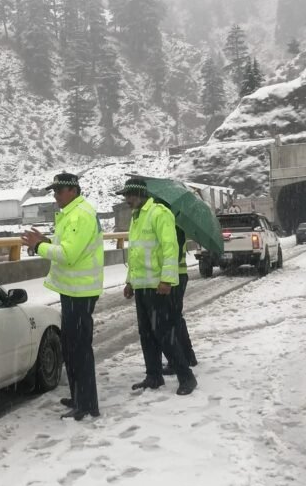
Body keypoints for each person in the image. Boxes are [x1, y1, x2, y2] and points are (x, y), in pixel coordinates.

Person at [21, 172, 104, 420]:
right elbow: (64, 242)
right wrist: (47, 240)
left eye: (58, 191)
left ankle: (88, 404)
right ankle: (79, 395)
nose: (55, 196)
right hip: (72, 291)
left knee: (79, 349)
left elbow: (68, 254)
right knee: (71, 348)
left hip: (81, 292)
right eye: (54, 192)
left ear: (72, 191)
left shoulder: (80, 214)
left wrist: (38, 246)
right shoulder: (71, 214)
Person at [118, 176, 198, 396]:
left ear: (141, 195)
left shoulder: (159, 213)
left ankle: (186, 376)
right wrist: (129, 282)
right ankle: (153, 376)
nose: (126, 200)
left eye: (129, 196)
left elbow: (170, 248)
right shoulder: (136, 217)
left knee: (163, 332)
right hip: (142, 285)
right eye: (125, 196)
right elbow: (135, 254)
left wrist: (167, 279)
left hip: (156, 285)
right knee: (146, 333)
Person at [163, 226, 199, 374]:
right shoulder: (177, 225)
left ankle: (178, 359)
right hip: (178, 275)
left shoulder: (174, 227)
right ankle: (188, 355)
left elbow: (174, 254)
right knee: (176, 318)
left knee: (172, 319)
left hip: (175, 277)